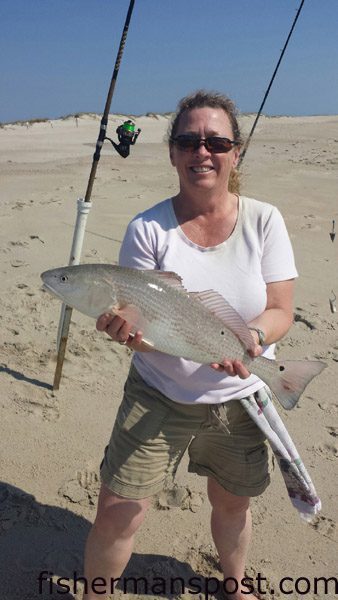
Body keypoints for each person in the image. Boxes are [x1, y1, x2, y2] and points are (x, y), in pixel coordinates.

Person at [82, 90, 298, 600]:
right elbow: (141, 319)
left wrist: (252, 338)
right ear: (173, 152)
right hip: (159, 393)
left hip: (238, 396)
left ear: (235, 152)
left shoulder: (264, 220)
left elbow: (281, 310)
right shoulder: (147, 228)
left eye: (216, 141)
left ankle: (235, 584)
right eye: (188, 141)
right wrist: (129, 334)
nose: (203, 151)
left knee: (232, 503)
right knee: (117, 510)